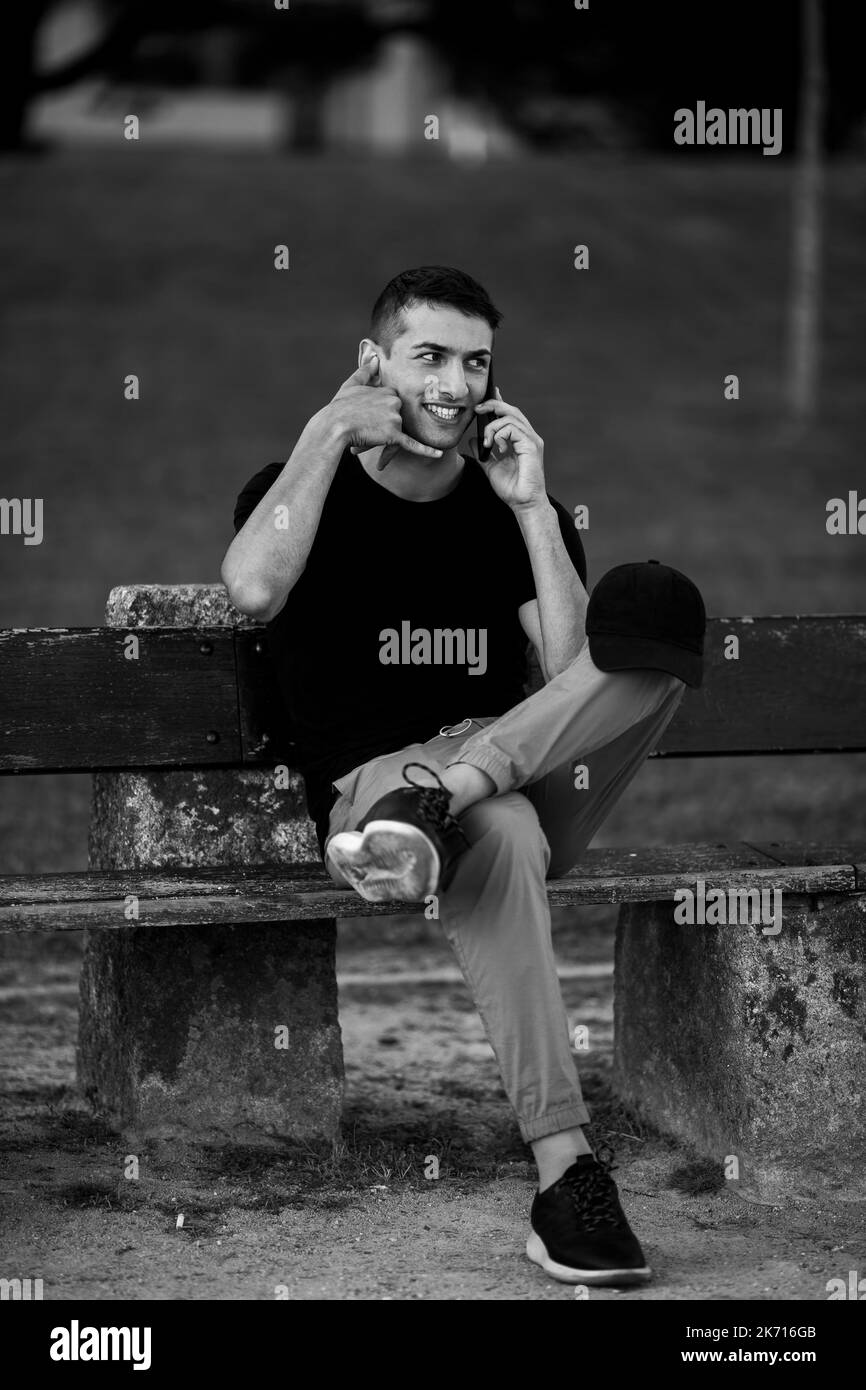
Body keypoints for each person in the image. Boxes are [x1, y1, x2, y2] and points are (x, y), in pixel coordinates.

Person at [221, 265, 705, 1286]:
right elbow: (254, 588)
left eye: (472, 361)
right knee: (510, 837)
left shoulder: (502, 502)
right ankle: (565, 1171)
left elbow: (583, 679)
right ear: (373, 364)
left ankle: (457, 791)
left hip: (498, 768)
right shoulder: (299, 486)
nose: (451, 383)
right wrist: (325, 433)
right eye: (426, 356)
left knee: (654, 617)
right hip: (377, 791)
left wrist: (532, 506)